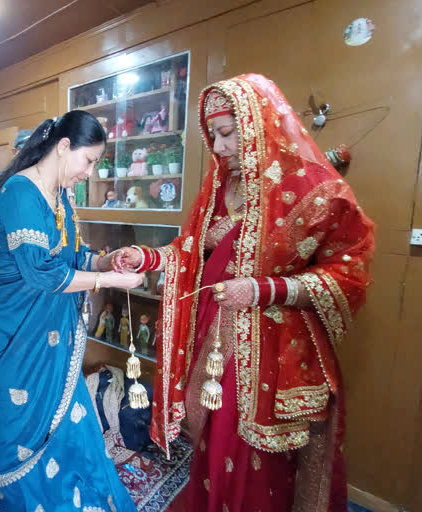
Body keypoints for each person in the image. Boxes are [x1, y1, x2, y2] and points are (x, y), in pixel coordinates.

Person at [114, 74, 374, 511]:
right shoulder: (221, 188)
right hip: (217, 341)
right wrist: (145, 258)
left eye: (227, 134)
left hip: (278, 351)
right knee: (214, 445)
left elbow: (349, 272)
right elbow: (189, 252)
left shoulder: (313, 189)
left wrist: (263, 289)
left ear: (257, 124)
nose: (217, 147)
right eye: (214, 135)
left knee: (262, 466)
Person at [0, 110, 143, 511]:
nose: (90, 172)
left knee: (70, 417)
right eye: (89, 160)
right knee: (21, 428)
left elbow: (73, 255)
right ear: (64, 146)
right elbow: (42, 274)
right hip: (13, 328)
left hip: (48, 328)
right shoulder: (18, 191)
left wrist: (105, 262)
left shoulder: (61, 196)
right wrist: (109, 283)